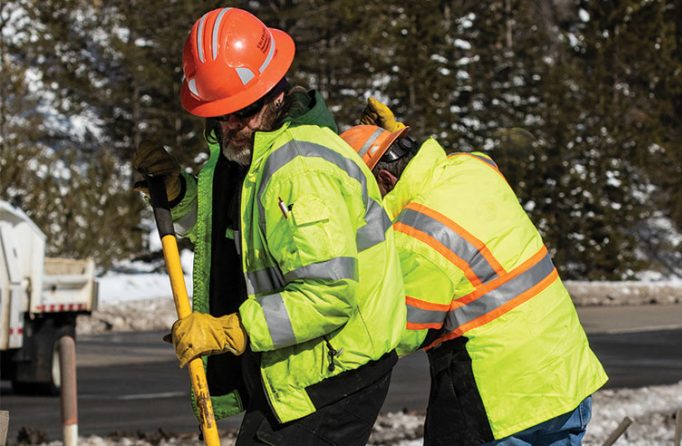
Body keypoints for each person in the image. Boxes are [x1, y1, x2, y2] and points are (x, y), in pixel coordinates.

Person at [133, 9, 404, 445]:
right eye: (218, 115)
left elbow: (328, 295)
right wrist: (178, 195)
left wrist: (231, 330)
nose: (229, 126)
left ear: (273, 93)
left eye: (240, 112)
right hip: (300, 362)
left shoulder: (299, 169)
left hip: (332, 372)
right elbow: (230, 228)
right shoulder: (252, 152)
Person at [340, 98, 608, 446]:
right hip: (567, 383)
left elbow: (402, 330)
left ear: (387, 179)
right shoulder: (473, 169)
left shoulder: (418, 235)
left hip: (503, 407)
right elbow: (438, 172)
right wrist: (392, 144)